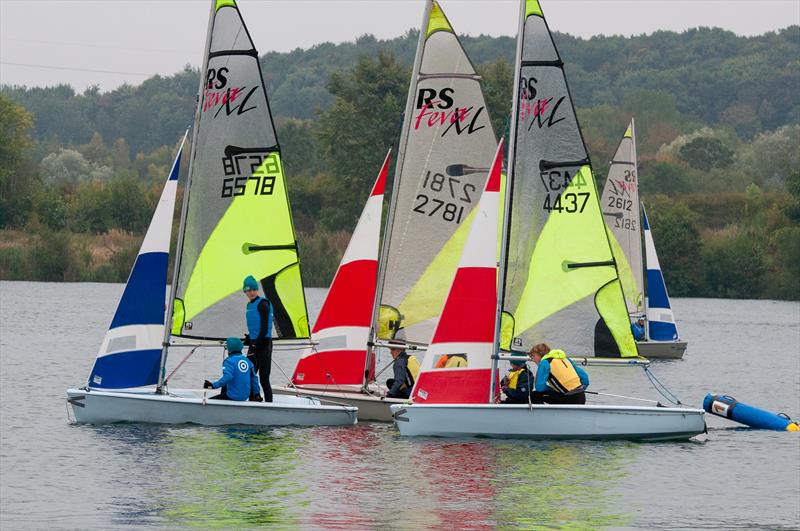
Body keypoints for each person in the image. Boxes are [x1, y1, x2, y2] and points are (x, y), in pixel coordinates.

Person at [242, 275, 274, 402]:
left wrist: (255, 344)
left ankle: (269, 404)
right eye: (248, 290)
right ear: (245, 291)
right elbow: (255, 328)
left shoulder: (263, 304)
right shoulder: (249, 305)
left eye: (254, 289)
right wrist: (249, 338)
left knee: (264, 378)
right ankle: (254, 399)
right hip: (255, 343)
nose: (251, 292)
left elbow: (265, 329)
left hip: (264, 344)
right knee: (249, 375)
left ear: (257, 290)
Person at [203, 337, 262, 401]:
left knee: (210, 401)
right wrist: (257, 394)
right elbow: (254, 378)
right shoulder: (248, 361)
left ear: (229, 348)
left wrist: (213, 385)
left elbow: (228, 377)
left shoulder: (228, 361)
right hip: (245, 397)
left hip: (233, 396)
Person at [385, 331, 420, 399]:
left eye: (392, 349)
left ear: (398, 350)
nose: (390, 352)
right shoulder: (411, 358)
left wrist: (390, 394)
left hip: (410, 394)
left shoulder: (399, 362)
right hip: (417, 391)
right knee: (390, 382)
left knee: (390, 383)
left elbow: (399, 381)